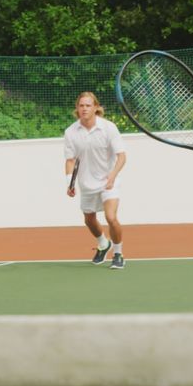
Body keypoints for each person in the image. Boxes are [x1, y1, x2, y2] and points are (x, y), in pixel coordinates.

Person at [64, 92, 128, 270]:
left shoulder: (108, 128)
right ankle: (103, 243)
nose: (84, 108)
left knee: (111, 217)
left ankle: (118, 253)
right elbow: (70, 160)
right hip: (86, 183)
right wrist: (70, 183)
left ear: (96, 108)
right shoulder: (70, 132)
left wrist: (112, 176)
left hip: (109, 180)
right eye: (81, 105)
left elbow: (121, 156)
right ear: (77, 109)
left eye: (88, 105)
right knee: (89, 220)